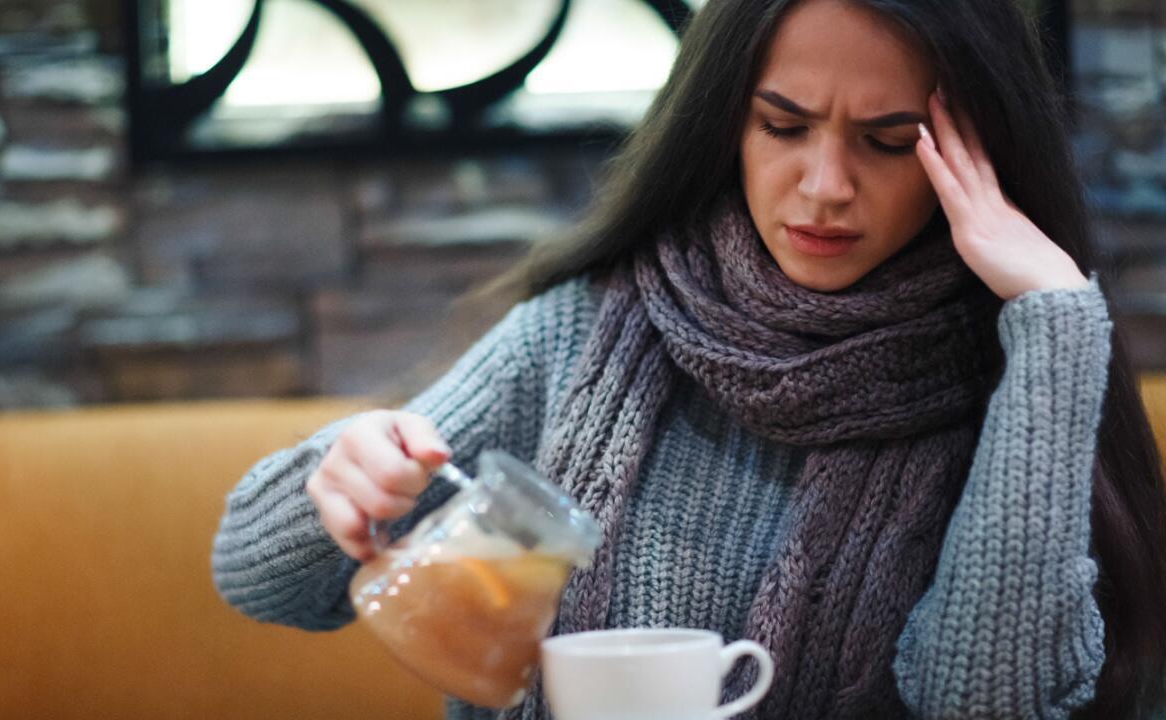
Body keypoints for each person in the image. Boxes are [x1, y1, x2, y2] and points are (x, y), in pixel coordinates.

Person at [211, 0, 1166, 717]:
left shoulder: (1012, 386)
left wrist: (1054, 321)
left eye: (889, 142)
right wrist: (338, 479)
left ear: (971, 156)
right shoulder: (583, 332)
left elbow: (986, 704)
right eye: (783, 126)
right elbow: (263, 581)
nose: (825, 187)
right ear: (725, 126)